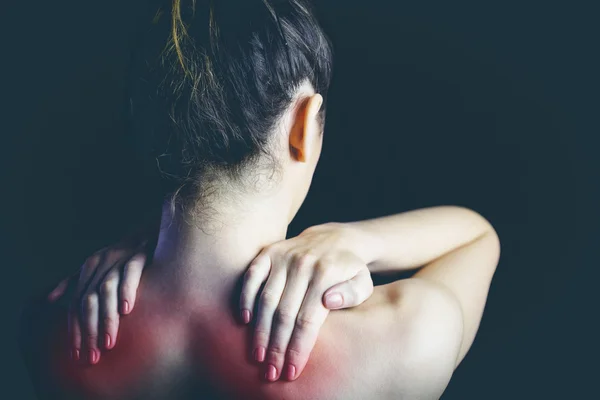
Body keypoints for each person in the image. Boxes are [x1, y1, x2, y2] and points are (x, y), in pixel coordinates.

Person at [19, 1, 501, 399]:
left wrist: (145, 242)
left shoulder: (52, 325)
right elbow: (478, 238)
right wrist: (358, 239)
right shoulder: (399, 341)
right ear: (302, 125)